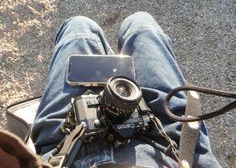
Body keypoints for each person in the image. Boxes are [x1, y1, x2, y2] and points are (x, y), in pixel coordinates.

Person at [31, 12, 221, 168]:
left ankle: (104, 60)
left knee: (78, 28)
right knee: (141, 26)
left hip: (62, 150)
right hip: (168, 149)